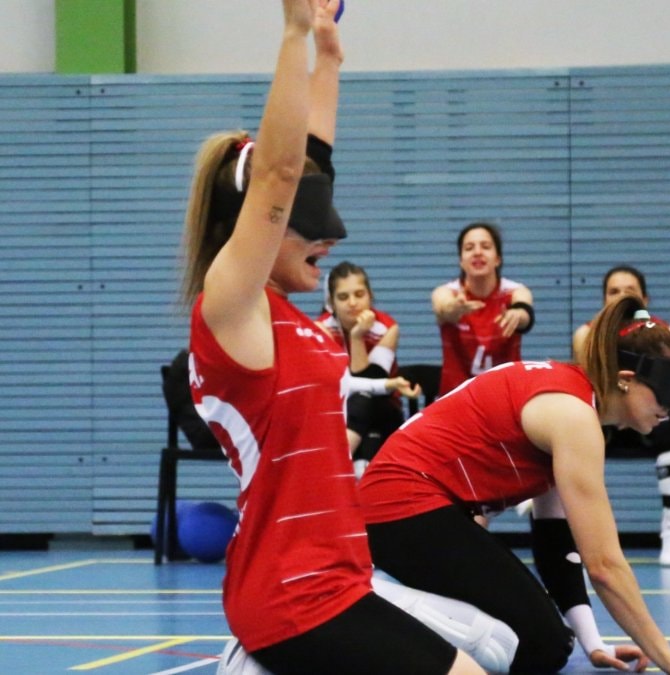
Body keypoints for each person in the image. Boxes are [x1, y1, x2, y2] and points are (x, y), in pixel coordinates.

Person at [180, 3, 485, 673]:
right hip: (294, 595)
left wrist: (329, 55)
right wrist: (292, 34)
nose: (329, 238)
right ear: (257, 224)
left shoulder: (287, 317)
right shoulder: (231, 306)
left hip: (338, 579)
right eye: (303, 223)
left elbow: (309, 164)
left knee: (494, 646)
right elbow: (281, 174)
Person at [359, 295, 670, 675]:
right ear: (625, 379)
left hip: (403, 507)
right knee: (537, 646)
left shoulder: (568, 399)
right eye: (665, 391)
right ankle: (378, 606)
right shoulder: (574, 416)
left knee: (548, 645)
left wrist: (594, 643)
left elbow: (555, 539)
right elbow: (604, 565)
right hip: (402, 505)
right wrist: (669, 659)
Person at [573, 265, 670, 567]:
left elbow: (666, 386)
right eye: (613, 291)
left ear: (644, 300)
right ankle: (581, 535)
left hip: (646, 415)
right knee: (578, 431)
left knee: (668, 424)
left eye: (629, 292)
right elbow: (591, 383)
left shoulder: (663, 333)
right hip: (606, 412)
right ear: (604, 299)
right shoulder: (587, 334)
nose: (621, 297)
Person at [317, 261, 419, 475]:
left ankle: (334, 465)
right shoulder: (321, 330)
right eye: (343, 297)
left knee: (364, 398)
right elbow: (338, 385)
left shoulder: (387, 328)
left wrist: (356, 336)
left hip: (384, 410)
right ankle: (356, 469)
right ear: (331, 303)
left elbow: (371, 381)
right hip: (339, 410)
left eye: (359, 294)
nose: (352, 303)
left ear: (370, 296)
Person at [431, 222, 533, 395]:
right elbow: (443, 307)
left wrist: (517, 314)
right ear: (461, 261)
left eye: (485, 246)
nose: (477, 252)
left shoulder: (515, 291)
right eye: (469, 248)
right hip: (457, 397)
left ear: (498, 259)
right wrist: (453, 309)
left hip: (505, 395)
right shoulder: (447, 292)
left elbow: (525, 312)